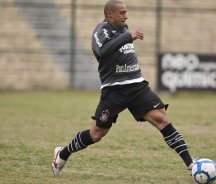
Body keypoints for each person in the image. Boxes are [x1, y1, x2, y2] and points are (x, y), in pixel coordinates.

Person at [52, 0, 195, 178]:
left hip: (136, 86)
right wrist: (128, 37)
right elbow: (103, 51)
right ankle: (62, 154)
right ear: (109, 14)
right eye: (122, 13)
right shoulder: (101, 31)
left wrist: (126, 35)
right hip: (114, 90)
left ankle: (191, 164)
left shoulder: (123, 30)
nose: (126, 16)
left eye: (126, 13)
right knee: (96, 134)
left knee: (161, 118)